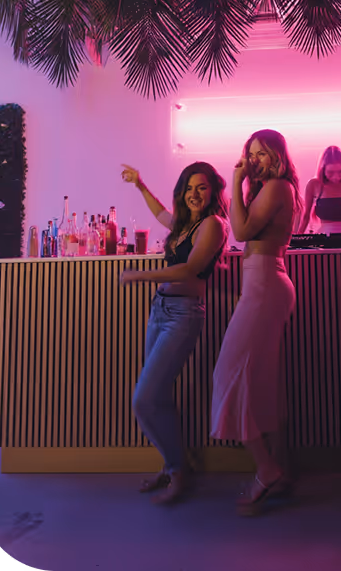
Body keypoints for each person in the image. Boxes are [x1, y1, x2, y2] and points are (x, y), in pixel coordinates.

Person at [119, 161, 228, 504]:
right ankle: (173, 467)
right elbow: (160, 213)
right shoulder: (184, 224)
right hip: (160, 311)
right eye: (189, 188)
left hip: (183, 315)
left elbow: (190, 269)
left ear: (213, 191)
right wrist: (140, 184)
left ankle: (178, 473)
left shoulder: (213, 225)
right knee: (158, 397)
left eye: (202, 188)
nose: (195, 194)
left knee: (144, 399)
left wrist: (139, 275)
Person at [210, 129, 302, 516]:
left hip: (264, 284)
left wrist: (234, 180)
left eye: (262, 154)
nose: (255, 161)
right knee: (259, 380)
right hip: (262, 282)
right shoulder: (273, 188)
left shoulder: (278, 187)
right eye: (251, 154)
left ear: (279, 155)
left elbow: (243, 232)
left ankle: (266, 469)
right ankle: (280, 468)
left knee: (231, 374)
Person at [298, 146, 341, 234]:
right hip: (325, 237)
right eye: (330, 172)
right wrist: (298, 238)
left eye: (340, 171)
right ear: (323, 169)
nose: (336, 177)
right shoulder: (314, 184)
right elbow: (306, 216)